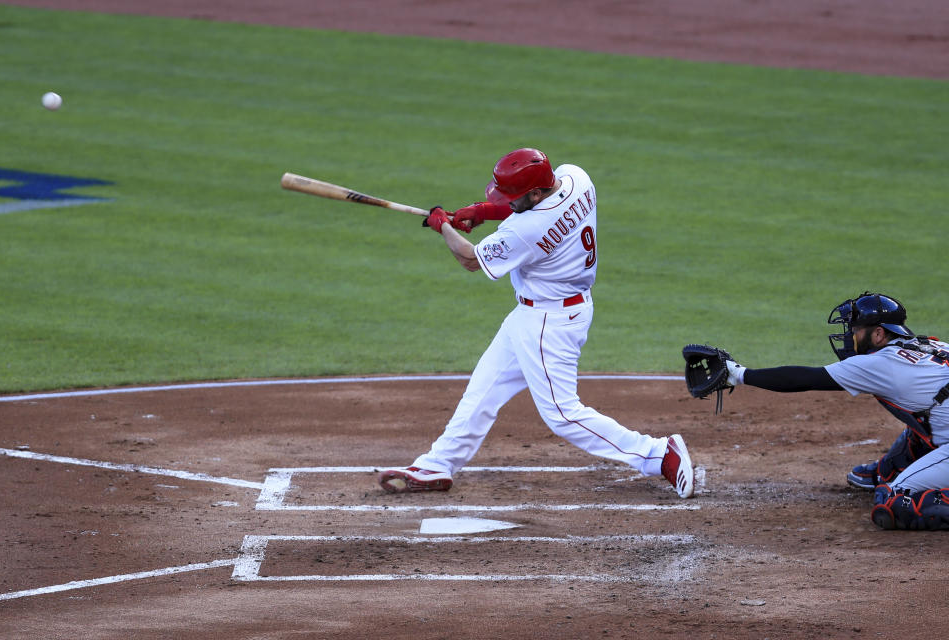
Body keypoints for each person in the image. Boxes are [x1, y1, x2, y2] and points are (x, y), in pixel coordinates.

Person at [377, 148, 695, 499]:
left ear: (536, 193)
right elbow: (526, 208)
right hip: (545, 312)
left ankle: (658, 453)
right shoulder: (576, 177)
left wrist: (444, 226)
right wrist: (485, 211)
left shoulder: (526, 230)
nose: (506, 204)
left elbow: (470, 258)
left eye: (512, 198)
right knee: (485, 387)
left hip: (549, 322)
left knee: (562, 414)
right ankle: (439, 463)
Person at [721, 291, 949, 530]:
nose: (850, 337)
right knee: (920, 429)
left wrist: (739, 374)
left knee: (896, 500)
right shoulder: (931, 345)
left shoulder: (879, 363)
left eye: (856, 330)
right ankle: (893, 471)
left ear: (879, 333)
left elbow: (805, 379)